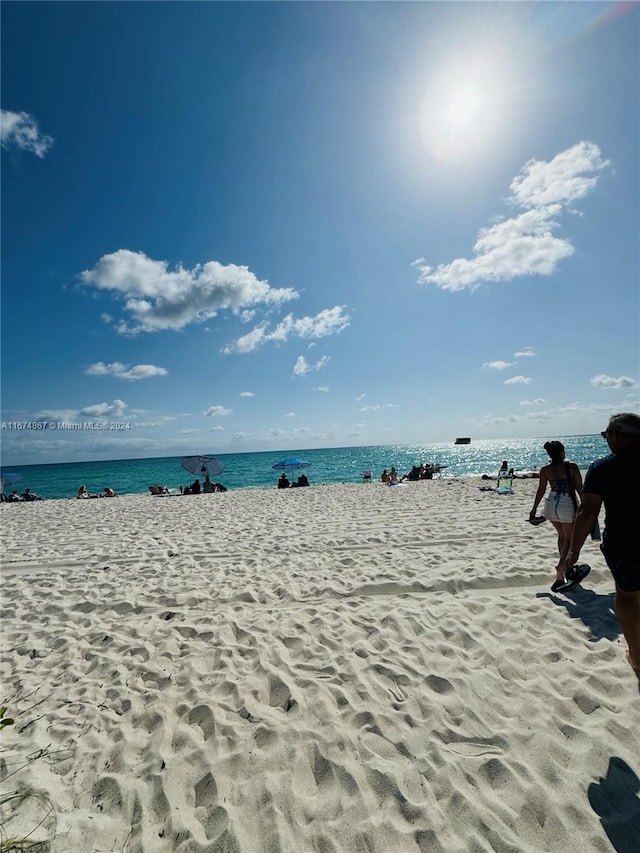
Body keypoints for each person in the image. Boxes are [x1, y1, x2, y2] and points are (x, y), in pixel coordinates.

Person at [565, 413, 640, 673]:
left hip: (625, 543)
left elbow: (588, 511)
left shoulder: (604, 467)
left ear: (616, 436)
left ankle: (638, 655)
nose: (606, 439)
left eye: (606, 435)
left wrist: (573, 550)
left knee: (628, 596)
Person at [529, 440, 583, 590]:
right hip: (566, 502)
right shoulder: (571, 467)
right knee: (569, 540)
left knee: (562, 536)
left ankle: (564, 565)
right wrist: (584, 505)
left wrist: (534, 509)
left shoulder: (545, 470)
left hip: (551, 502)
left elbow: (541, 490)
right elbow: (579, 488)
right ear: (561, 452)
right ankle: (562, 568)